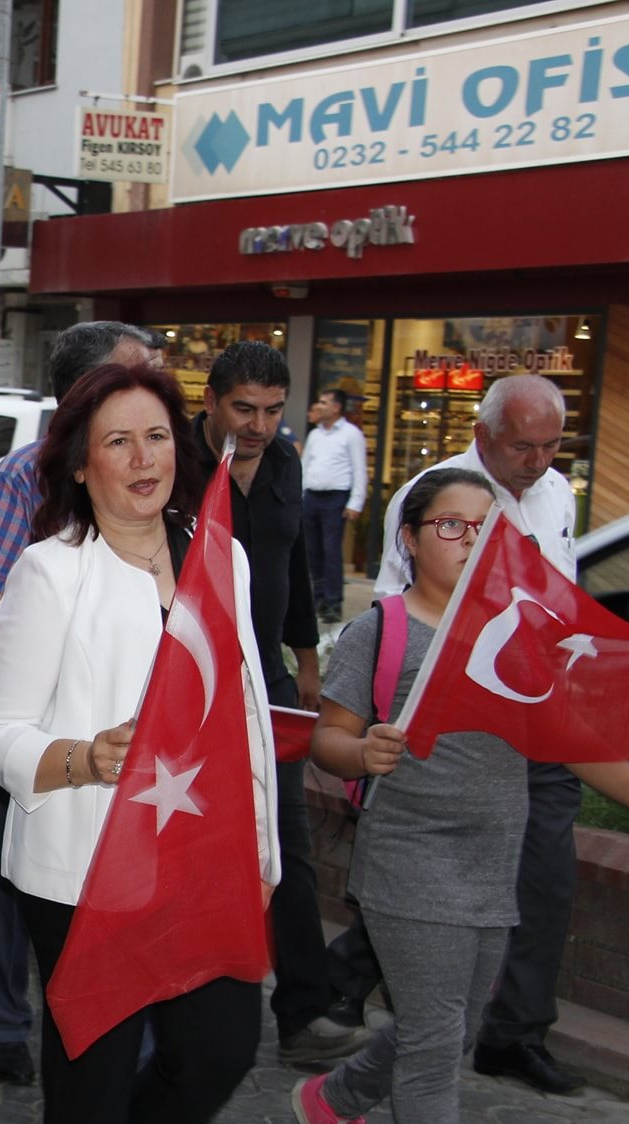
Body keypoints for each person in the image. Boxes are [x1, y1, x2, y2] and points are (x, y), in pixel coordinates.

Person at [298, 467, 629, 1124]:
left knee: (446, 1032)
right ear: (409, 539)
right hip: (410, 858)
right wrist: (363, 750)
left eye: (484, 529)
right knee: (432, 1047)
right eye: (450, 526)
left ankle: (333, 1097)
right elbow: (326, 739)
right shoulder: (379, 629)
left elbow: (575, 739)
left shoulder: (515, 634)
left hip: (494, 857)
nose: (468, 541)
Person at [0, 362, 278, 1124]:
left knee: (219, 1046)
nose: (139, 460)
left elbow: (246, 718)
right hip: (81, 868)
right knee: (91, 1080)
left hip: (201, 862)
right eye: (115, 442)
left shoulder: (215, 558)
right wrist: (78, 757)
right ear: (82, 464)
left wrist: (263, 848)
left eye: (154, 437)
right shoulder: (51, 571)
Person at [344, 373, 589, 1095]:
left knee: (544, 877)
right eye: (523, 446)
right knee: (434, 893)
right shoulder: (434, 496)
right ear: (484, 435)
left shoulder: (557, 494)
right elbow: (397, 608)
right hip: (450, 722)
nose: (538, 460)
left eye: (551, 445)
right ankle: (345, 983)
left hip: (533, 713)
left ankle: (514, 1033)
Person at [0, 320, 159, 1089]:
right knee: (6, 882)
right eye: (132, 374)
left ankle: (112, 1030)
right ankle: (3, 1020)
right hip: (38, 719)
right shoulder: (23, 480)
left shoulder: (170, 487)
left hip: (129, 732)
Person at [189, 342, 366, 1066]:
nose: (258, 424)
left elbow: (291, 563)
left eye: (271, 410)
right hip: (191, 683)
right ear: (212, 401)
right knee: (192, 844)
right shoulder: (176, 465)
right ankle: (183, 1003)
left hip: (270, 684)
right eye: (243, 409)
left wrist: (307, 660)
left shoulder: (289, 464)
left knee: (287, 845)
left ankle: (302, 1013)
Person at [301, 389, 368, 621]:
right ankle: (317, 598)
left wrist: (355, 502)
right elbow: (305, 464)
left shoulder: (351, 434)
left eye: (323, 402)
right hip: (312, 497)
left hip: (335, 498)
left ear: (337, 407)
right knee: (313, 551)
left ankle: (332, 602)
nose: (319, 406)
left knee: (331, 551)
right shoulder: (315, 435)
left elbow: (359, 469)